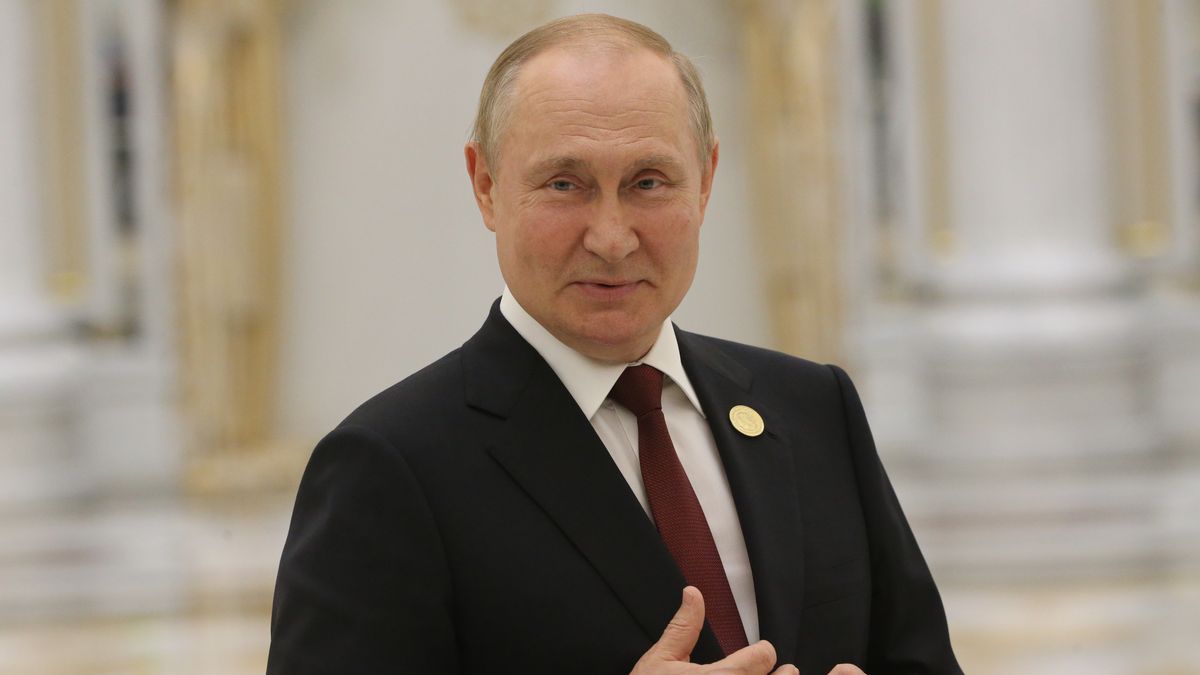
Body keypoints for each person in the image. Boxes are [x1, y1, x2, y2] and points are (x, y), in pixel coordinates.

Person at [267, 13, 961, 675]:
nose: (611, 236)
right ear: (485, 185)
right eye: (565, 184)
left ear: (707, 181)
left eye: (648, 183)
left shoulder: (813, 408)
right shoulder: (388, 467)